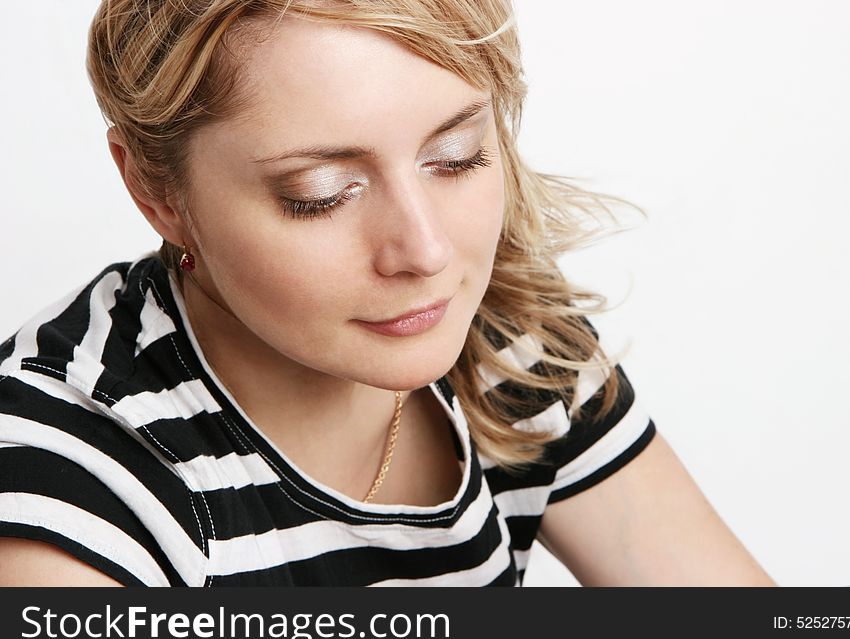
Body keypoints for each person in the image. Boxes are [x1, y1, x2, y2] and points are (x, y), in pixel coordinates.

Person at [0, 0, 775, 587]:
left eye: (457, 156)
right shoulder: (65, 478)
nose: (427, 252)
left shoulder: (509, 342)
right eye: (322, 193)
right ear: (157, 190)